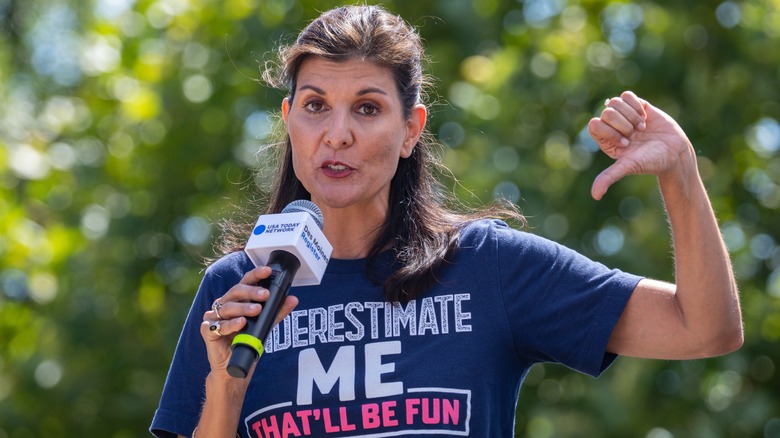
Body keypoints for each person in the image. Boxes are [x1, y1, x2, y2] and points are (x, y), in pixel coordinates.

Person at [150, 5, 743, 438]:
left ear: (411, 129)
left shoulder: (488, 266)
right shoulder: (236, 290)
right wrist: (225, 386)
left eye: (367, 107)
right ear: (289, 120)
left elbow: (705, 328)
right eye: (314, 106)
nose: (337, 133)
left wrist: (681, 174)